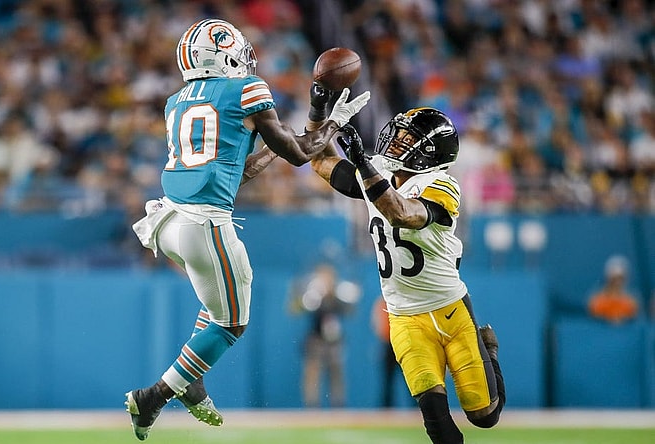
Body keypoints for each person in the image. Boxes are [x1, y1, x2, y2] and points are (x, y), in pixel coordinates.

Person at [125, 18, 370, 441]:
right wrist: (334, 121)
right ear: (223, 54)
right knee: (231, 323)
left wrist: (276, 149)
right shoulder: (247, 88)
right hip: (205, 224)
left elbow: (235, 170)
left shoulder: (176, 101)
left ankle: (193, 380)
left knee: (216, 301)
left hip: (168, 221)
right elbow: (298, 154)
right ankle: (155, 396)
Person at [308, 92, 505, 443]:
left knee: (484, 417)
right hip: (404, 319)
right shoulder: (380, 174)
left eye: (409, 138)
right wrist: (321, 113)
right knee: (439, 427)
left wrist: (364, 166)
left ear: (431, 152)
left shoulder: (442, 184)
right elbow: (319, 160)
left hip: (451, 313)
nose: (397, 141)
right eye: (399, 134)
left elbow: (403, 213)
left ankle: (488, 350)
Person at [289, 263, 360, 408]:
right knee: (312, 374)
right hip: (316, 340)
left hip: (334, 342)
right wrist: (304, 296)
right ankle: (312, 406)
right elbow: (295, 309)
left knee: (336, 375)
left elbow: (350, 312)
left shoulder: (339, 294)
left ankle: (338, 405)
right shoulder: (313, 294)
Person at [587, 255, 639, 324]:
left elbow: (634, 320)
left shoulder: (631, 301)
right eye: (614, 279)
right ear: (608, 278)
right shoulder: (596, 301)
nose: (617, 282)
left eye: (621, 278)